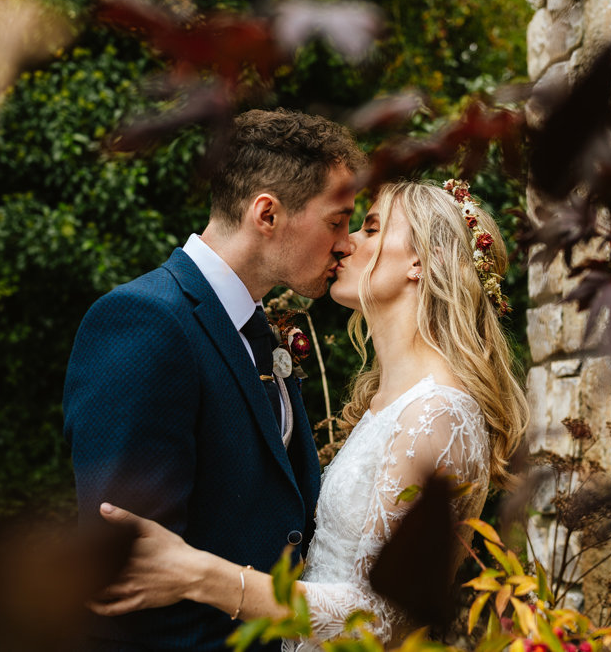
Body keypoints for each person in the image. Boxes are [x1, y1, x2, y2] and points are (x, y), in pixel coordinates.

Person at [88, 180, 529, 650]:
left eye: (372, 228)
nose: (347, 242)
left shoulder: (439, 413)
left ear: (424, 261)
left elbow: (376, 617)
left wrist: (196, 573)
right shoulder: (394, 401)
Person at [62, 108, 366, 651]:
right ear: (266, 214)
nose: (346, 243)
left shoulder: (257, 330)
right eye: (337, 220)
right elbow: (133, 575)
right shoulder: (144, 322)